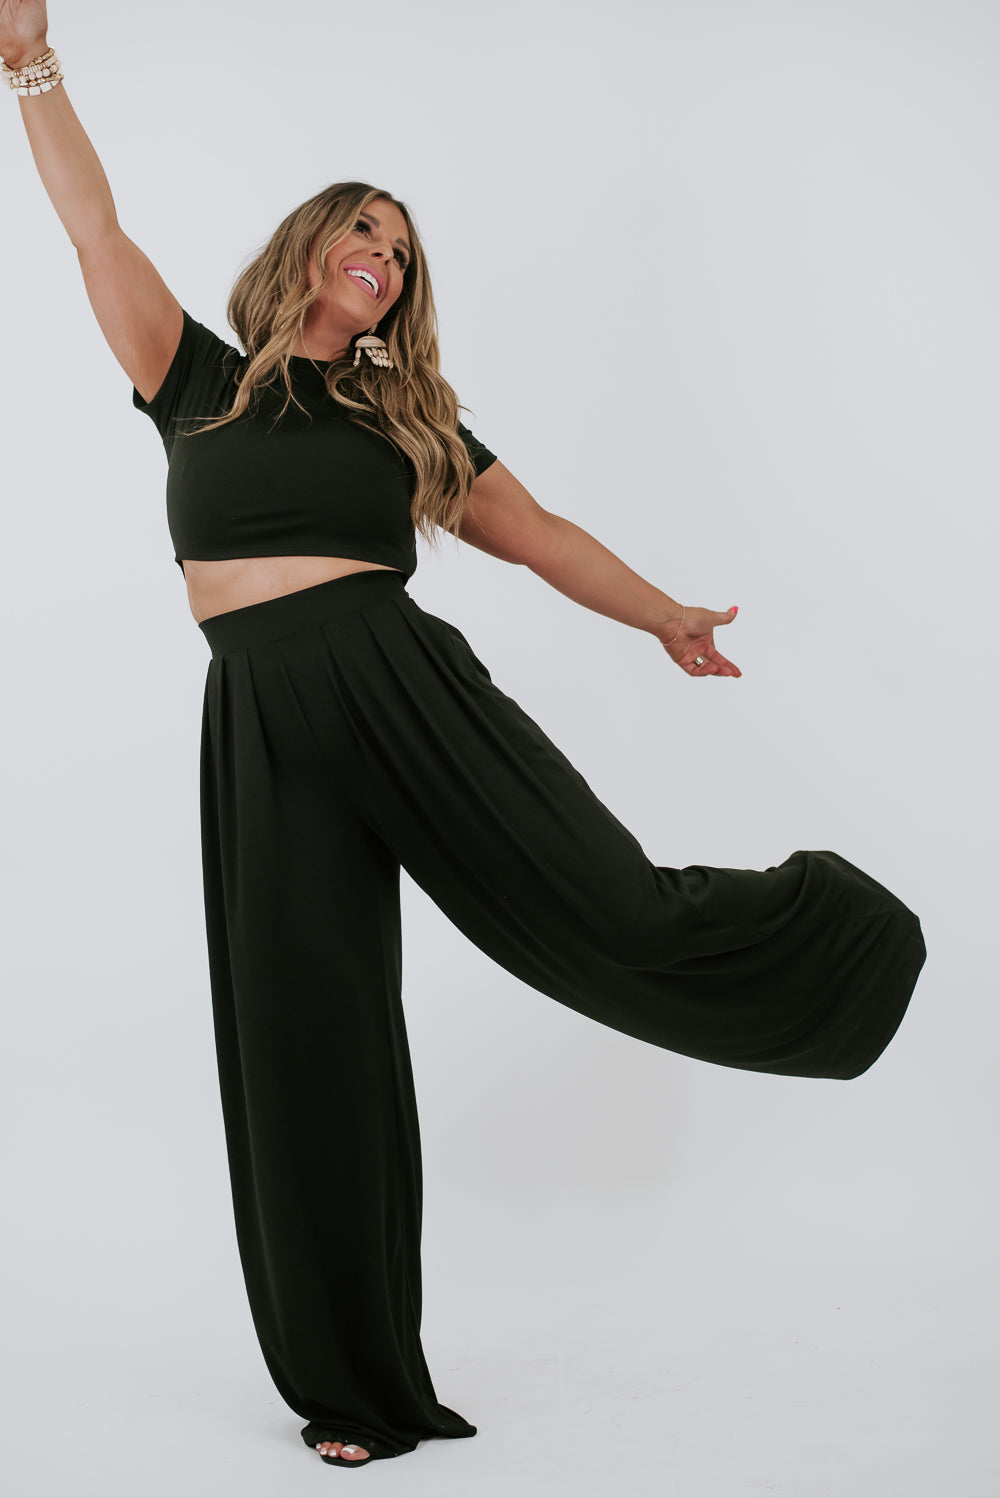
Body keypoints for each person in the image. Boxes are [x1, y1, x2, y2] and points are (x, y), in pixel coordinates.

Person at [2, 4, 926, 1471]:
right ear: (312, 244)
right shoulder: (193, 377)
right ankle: (355, 1391)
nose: (385, 251)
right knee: (309, 1041)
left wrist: (666, 616)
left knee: (614, 904)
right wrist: (29, 64)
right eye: (365, 227)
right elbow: (89, 222)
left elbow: (540, 533)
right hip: (260, 721)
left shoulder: (405, 424)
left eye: (403, 247)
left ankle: (840, 944)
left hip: (401, 683)